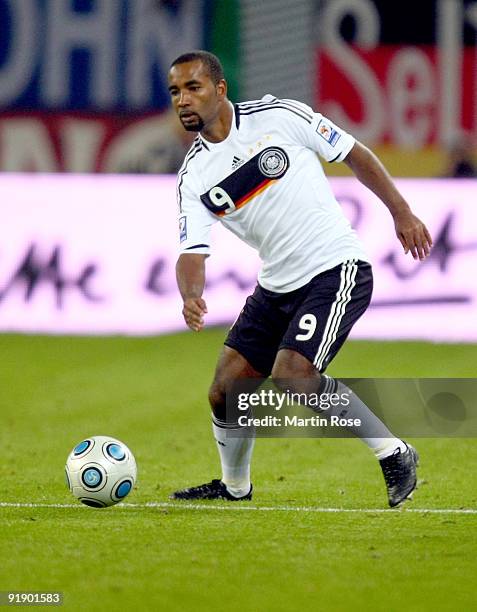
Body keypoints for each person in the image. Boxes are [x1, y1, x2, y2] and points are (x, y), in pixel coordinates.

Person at [167, 50, 432, 507]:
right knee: (225, 391)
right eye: (175, 91)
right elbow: (192, 251)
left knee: (294, 374)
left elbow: (354, 153)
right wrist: (191, 295)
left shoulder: (280, 116)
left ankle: (395, 452)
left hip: (336, 268)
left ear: (220, 88)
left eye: (194, 87)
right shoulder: (194, 176)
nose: (183, 100)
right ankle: (235, 488)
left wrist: (401, 212)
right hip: (276, 285)